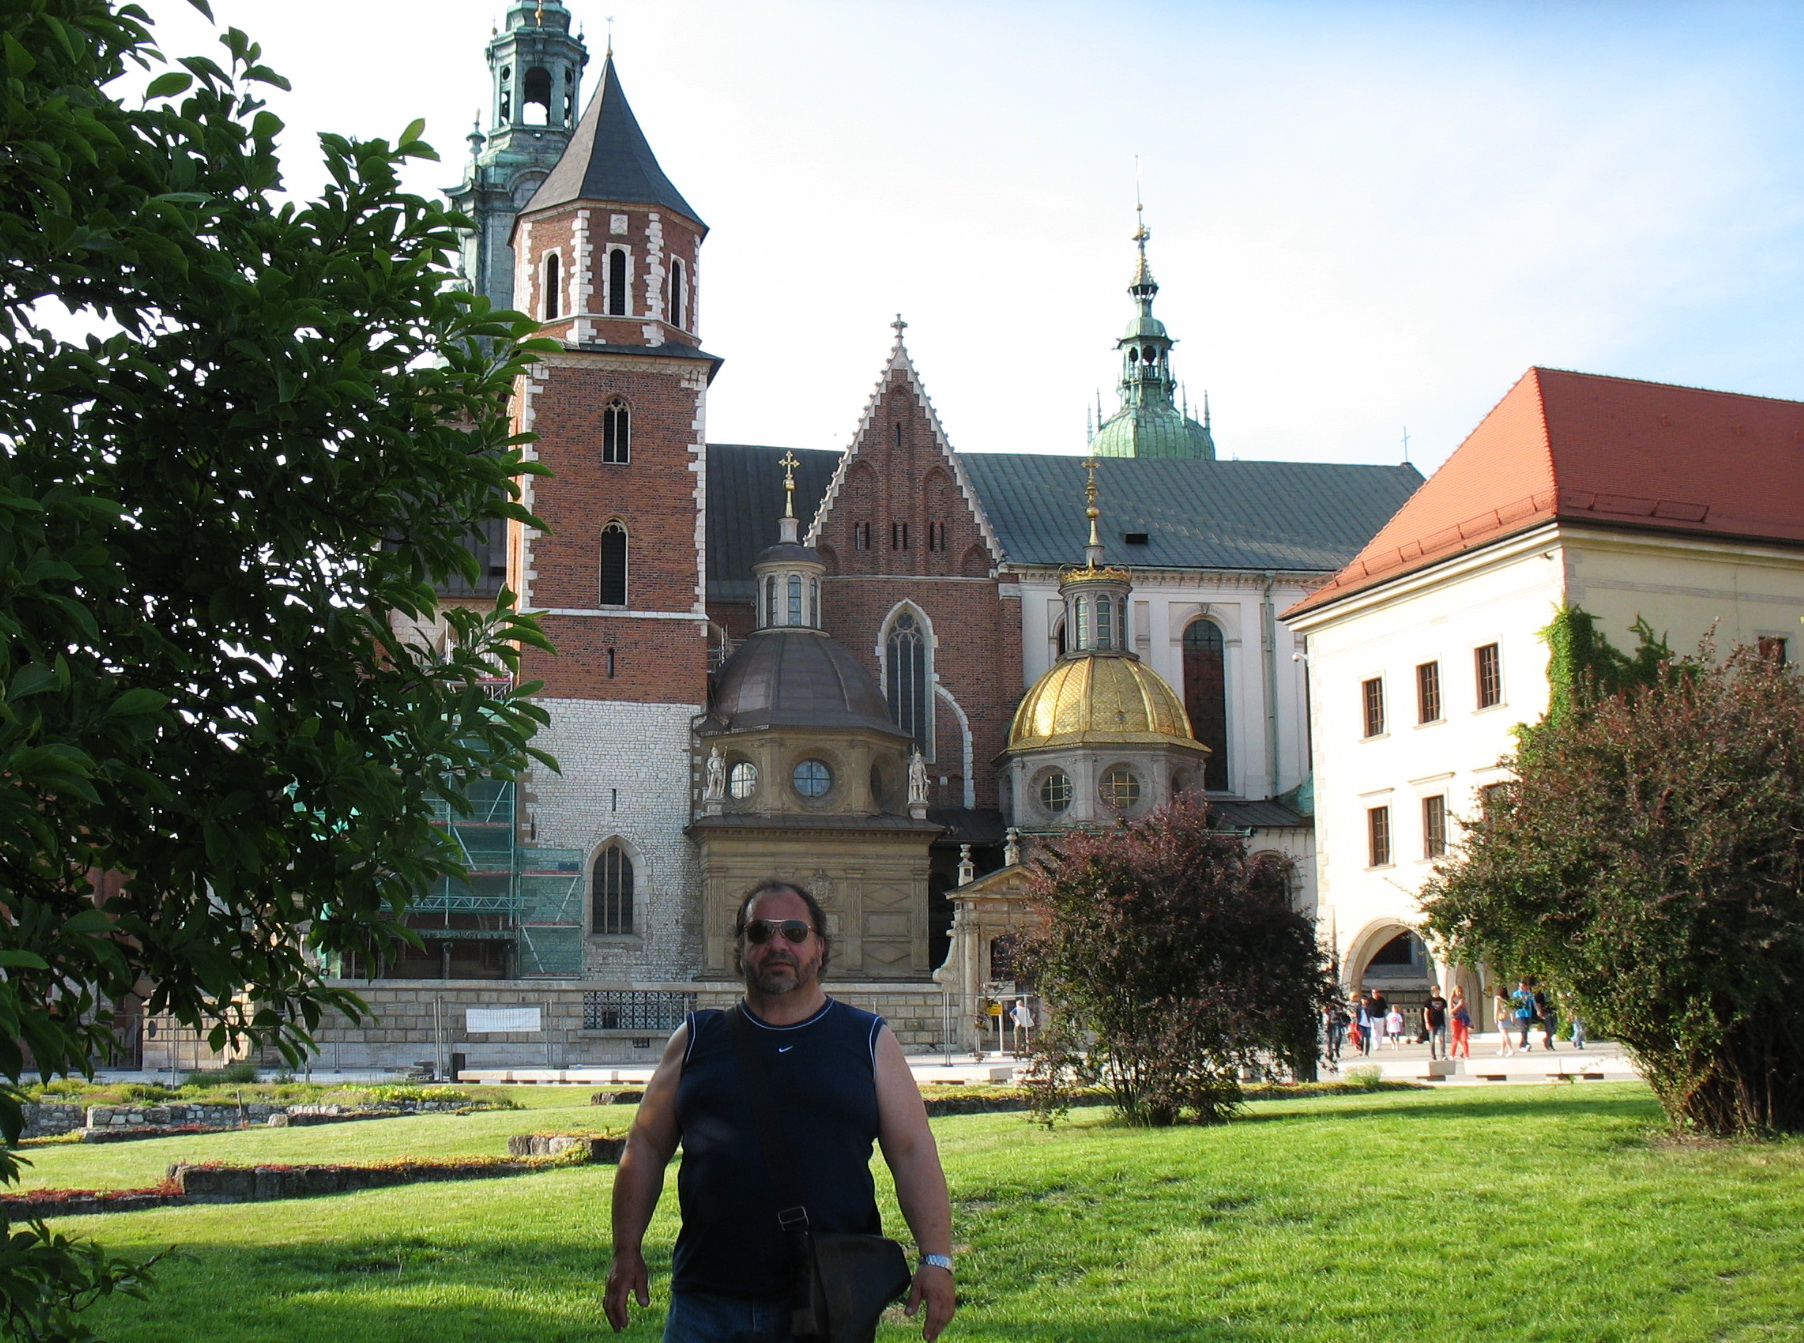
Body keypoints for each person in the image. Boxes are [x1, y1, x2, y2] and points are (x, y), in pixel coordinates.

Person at [605, 881, 957, 1342]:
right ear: (740, 947)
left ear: (820, 946)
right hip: (706, 1303)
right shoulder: (696, 1038)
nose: (777, 944)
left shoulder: (868, 1039)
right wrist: (626, 1251)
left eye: (794, 931)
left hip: (826, 1301)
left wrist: (936, 1259)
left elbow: (913, 1154)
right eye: (759, 932)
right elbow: (646, 1147)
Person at [1510, 979, 1538, 1052]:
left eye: (1522, 986)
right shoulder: (1516, 994)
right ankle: (1526, 1043)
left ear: (1526, 986)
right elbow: (1513, 1005)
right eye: (1520, 986)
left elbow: (1534, 1003)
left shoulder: (1529, 994)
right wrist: (1512, 1015)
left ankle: (1522, 1044)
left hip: (1528, 1013)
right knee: (1523, 1028)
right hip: (1520, 1014)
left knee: (1526, 1029)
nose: (1521, 988)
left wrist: (1538, 1010)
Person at [1424, 986, 1450, 1061]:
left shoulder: (1442, 1000)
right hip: (1432, 1022)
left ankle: (1443, 1055)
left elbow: (1445, 1012)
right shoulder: (1429, 1000)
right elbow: (1426, 1012)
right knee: (1432, 1040)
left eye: (1438, 990)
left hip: (1440, 1022)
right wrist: (1427, 1022)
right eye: (1435, 990)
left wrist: (1447, 1021)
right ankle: (1433, 1055)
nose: (1437, 991)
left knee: (1442, 1039)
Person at [1492, 986, 1516, 1057]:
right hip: (1507, 1017)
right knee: (1504, 1035)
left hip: (1501, 1017)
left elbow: (1496, 1009)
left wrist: (1495, 1018)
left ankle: (1510, 1049)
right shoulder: (1508, 999)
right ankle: (1502, 1050)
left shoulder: (1497, 998)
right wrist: (1512, 1018)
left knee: (1504, 1034)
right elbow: (1511, 1009)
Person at [1448, 985, 1472, 1060]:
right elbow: (1451, 1012)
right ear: (1454, 992)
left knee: (1464, 1039)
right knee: (1455, 1038)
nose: (1460, 993)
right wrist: (1458, 1005)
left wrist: (1470, 1021)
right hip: (1455, 1020)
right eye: (1458, 991)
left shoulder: (1462, 1000)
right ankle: (1452, 1055)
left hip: (1463, 1020)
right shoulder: (1452, 1000)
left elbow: (1466, 1011)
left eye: (1461, 991)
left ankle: (1466, 1055)